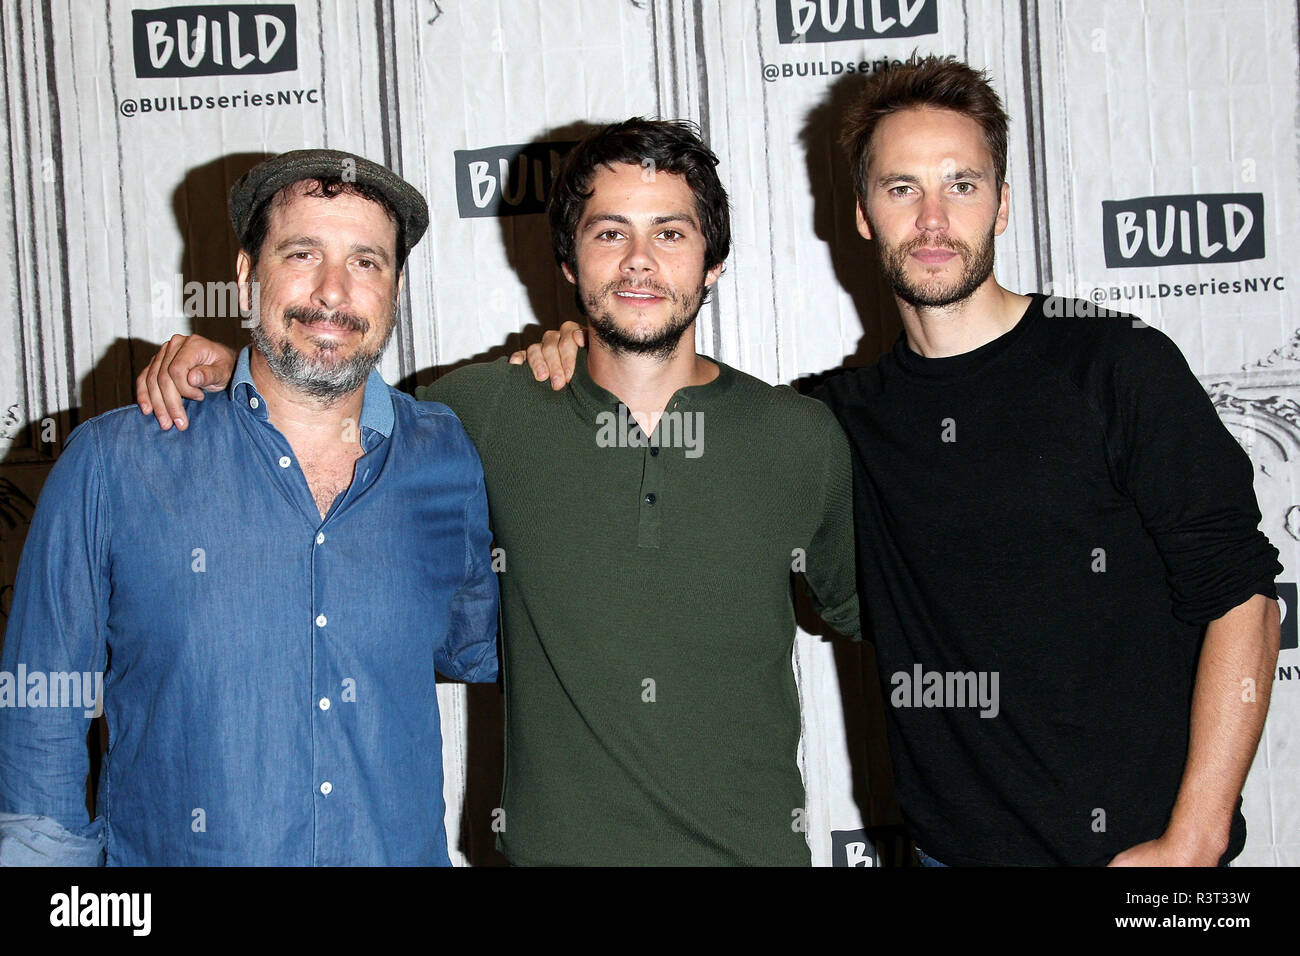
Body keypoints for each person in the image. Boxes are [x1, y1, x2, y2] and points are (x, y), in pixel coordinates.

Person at [520, 57, 1284, 867]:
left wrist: (1194, 840)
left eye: (960, 184)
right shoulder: (831, 422)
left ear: (1003, 203)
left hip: (1140, 858)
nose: (931, 219)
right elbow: (678, 407)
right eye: (900, 189)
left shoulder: (1117, 367)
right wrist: (579, 344)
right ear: (861, 214)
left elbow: (1242, 598)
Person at [132, 121, 859, 865]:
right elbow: (326, 404)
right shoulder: (480, 416)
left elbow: (884, 613)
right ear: (569, 262)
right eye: (610, 233)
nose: (640, 262)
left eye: (670, 233)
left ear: (713, 264)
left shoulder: (802, 439)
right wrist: (229, 367)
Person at [0, 150, 499, 865]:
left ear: (393, 290)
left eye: (366, 262)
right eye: (303, 253)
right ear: (245, 276)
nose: (333, 291)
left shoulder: (447, 458)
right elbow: (39, 716)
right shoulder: (116, 462)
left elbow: (480, 647)